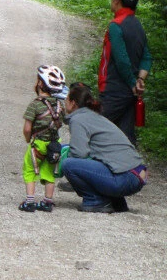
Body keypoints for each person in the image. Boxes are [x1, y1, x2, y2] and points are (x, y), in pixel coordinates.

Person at [61, 82, 148, 213]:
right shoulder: (94, 117)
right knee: (95, 160)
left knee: (69, 164)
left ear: (73, 103)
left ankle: (95, 200)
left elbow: (79, 154)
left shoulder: (78, 119)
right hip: (136, 174)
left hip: (125, 178)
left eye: (66, 99)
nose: (64, 102)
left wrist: (59, 157)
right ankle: (116, 202)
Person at [98, 0, 153, 145]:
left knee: (94, 130)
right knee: (125, 138)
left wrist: (131, 83)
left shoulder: (116, 25)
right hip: (131, 94)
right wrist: (140, 81)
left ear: (117, 0)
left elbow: (121, 60)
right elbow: (147, 57)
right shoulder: (138, 26)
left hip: (114, 90)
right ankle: (133, 169)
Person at [18, 65, 66, 213]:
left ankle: (30, 201)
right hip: (53, 145)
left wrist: (28, 139)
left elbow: (27, 128)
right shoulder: (60, 105)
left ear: (40, 83)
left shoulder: (35, 105)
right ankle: (47, 202)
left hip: (37, 144)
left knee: (30, 170)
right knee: (49, 173)